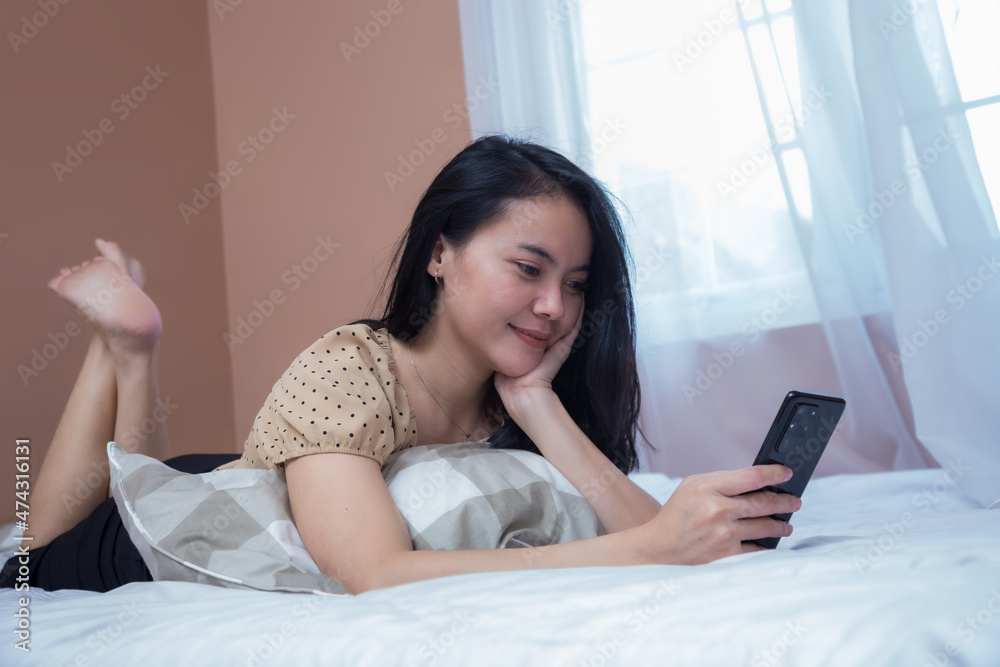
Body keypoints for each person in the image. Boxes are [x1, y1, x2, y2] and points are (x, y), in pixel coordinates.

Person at [3, 135, 799, 595]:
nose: (556, 306)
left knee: (146, 471)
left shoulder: (517, 390)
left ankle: (132, 350)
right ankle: (126, 347)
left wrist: (537, 406)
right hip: (136, 537)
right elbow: (375, 574)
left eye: (576, 285)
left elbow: (643, 524)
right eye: (528, 269)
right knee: (32, 544)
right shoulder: (348, 370)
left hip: (243, 483)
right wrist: (651, 550)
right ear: (440, 254)